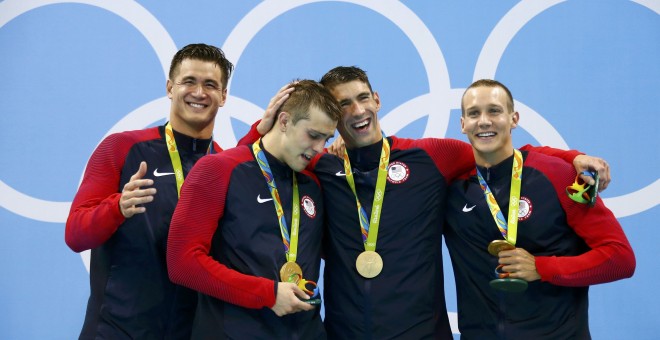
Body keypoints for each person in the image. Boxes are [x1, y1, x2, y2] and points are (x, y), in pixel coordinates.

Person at [240, 66, 611, 339]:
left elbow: (503, 152)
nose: (357, 111)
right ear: (331, 117)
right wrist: (263, 125)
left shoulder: (432, 156)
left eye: (363, 98)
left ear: (377, 100)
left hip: (423, 333)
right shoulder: (319, 165)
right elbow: (249, 168)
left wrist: (570, 157)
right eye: (343, 105)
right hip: (344, 332)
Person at [64, 43, 234, 339]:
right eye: (189, 81)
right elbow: (76, 235)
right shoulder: (122, 148)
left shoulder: (225, 167)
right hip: (116, 331)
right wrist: (117, 208)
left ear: (223, 96)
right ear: (170, 87)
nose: (199, 92)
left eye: (210, 84)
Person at [444, 79, 635, 339]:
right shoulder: (453, 190)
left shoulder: (560, 175)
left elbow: (620, 259)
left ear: (514, 119)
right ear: (463, 124)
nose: (484, 121)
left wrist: (542, 268)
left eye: (495, 111)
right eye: (474, 113)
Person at [166, 80, 342, 339]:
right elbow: (182, 263)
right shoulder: (218, 170)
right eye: (313, 135)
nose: (319, 148)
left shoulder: (314, 183)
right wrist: (267, 294)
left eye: (326, 138)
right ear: (284, 121)